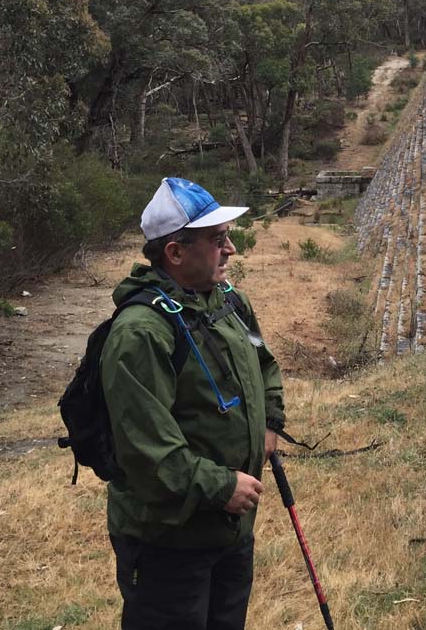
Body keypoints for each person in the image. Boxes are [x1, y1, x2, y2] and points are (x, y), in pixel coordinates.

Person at [101, 177, 285, 630]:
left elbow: (264, 364)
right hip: (168, 541)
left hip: (230, 530)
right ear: (175, 253)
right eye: (217, 240)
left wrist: (271, 421)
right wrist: (222, 488)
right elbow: (147, 452)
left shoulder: (228, 301)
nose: (231, 250)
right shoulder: (140, 333)